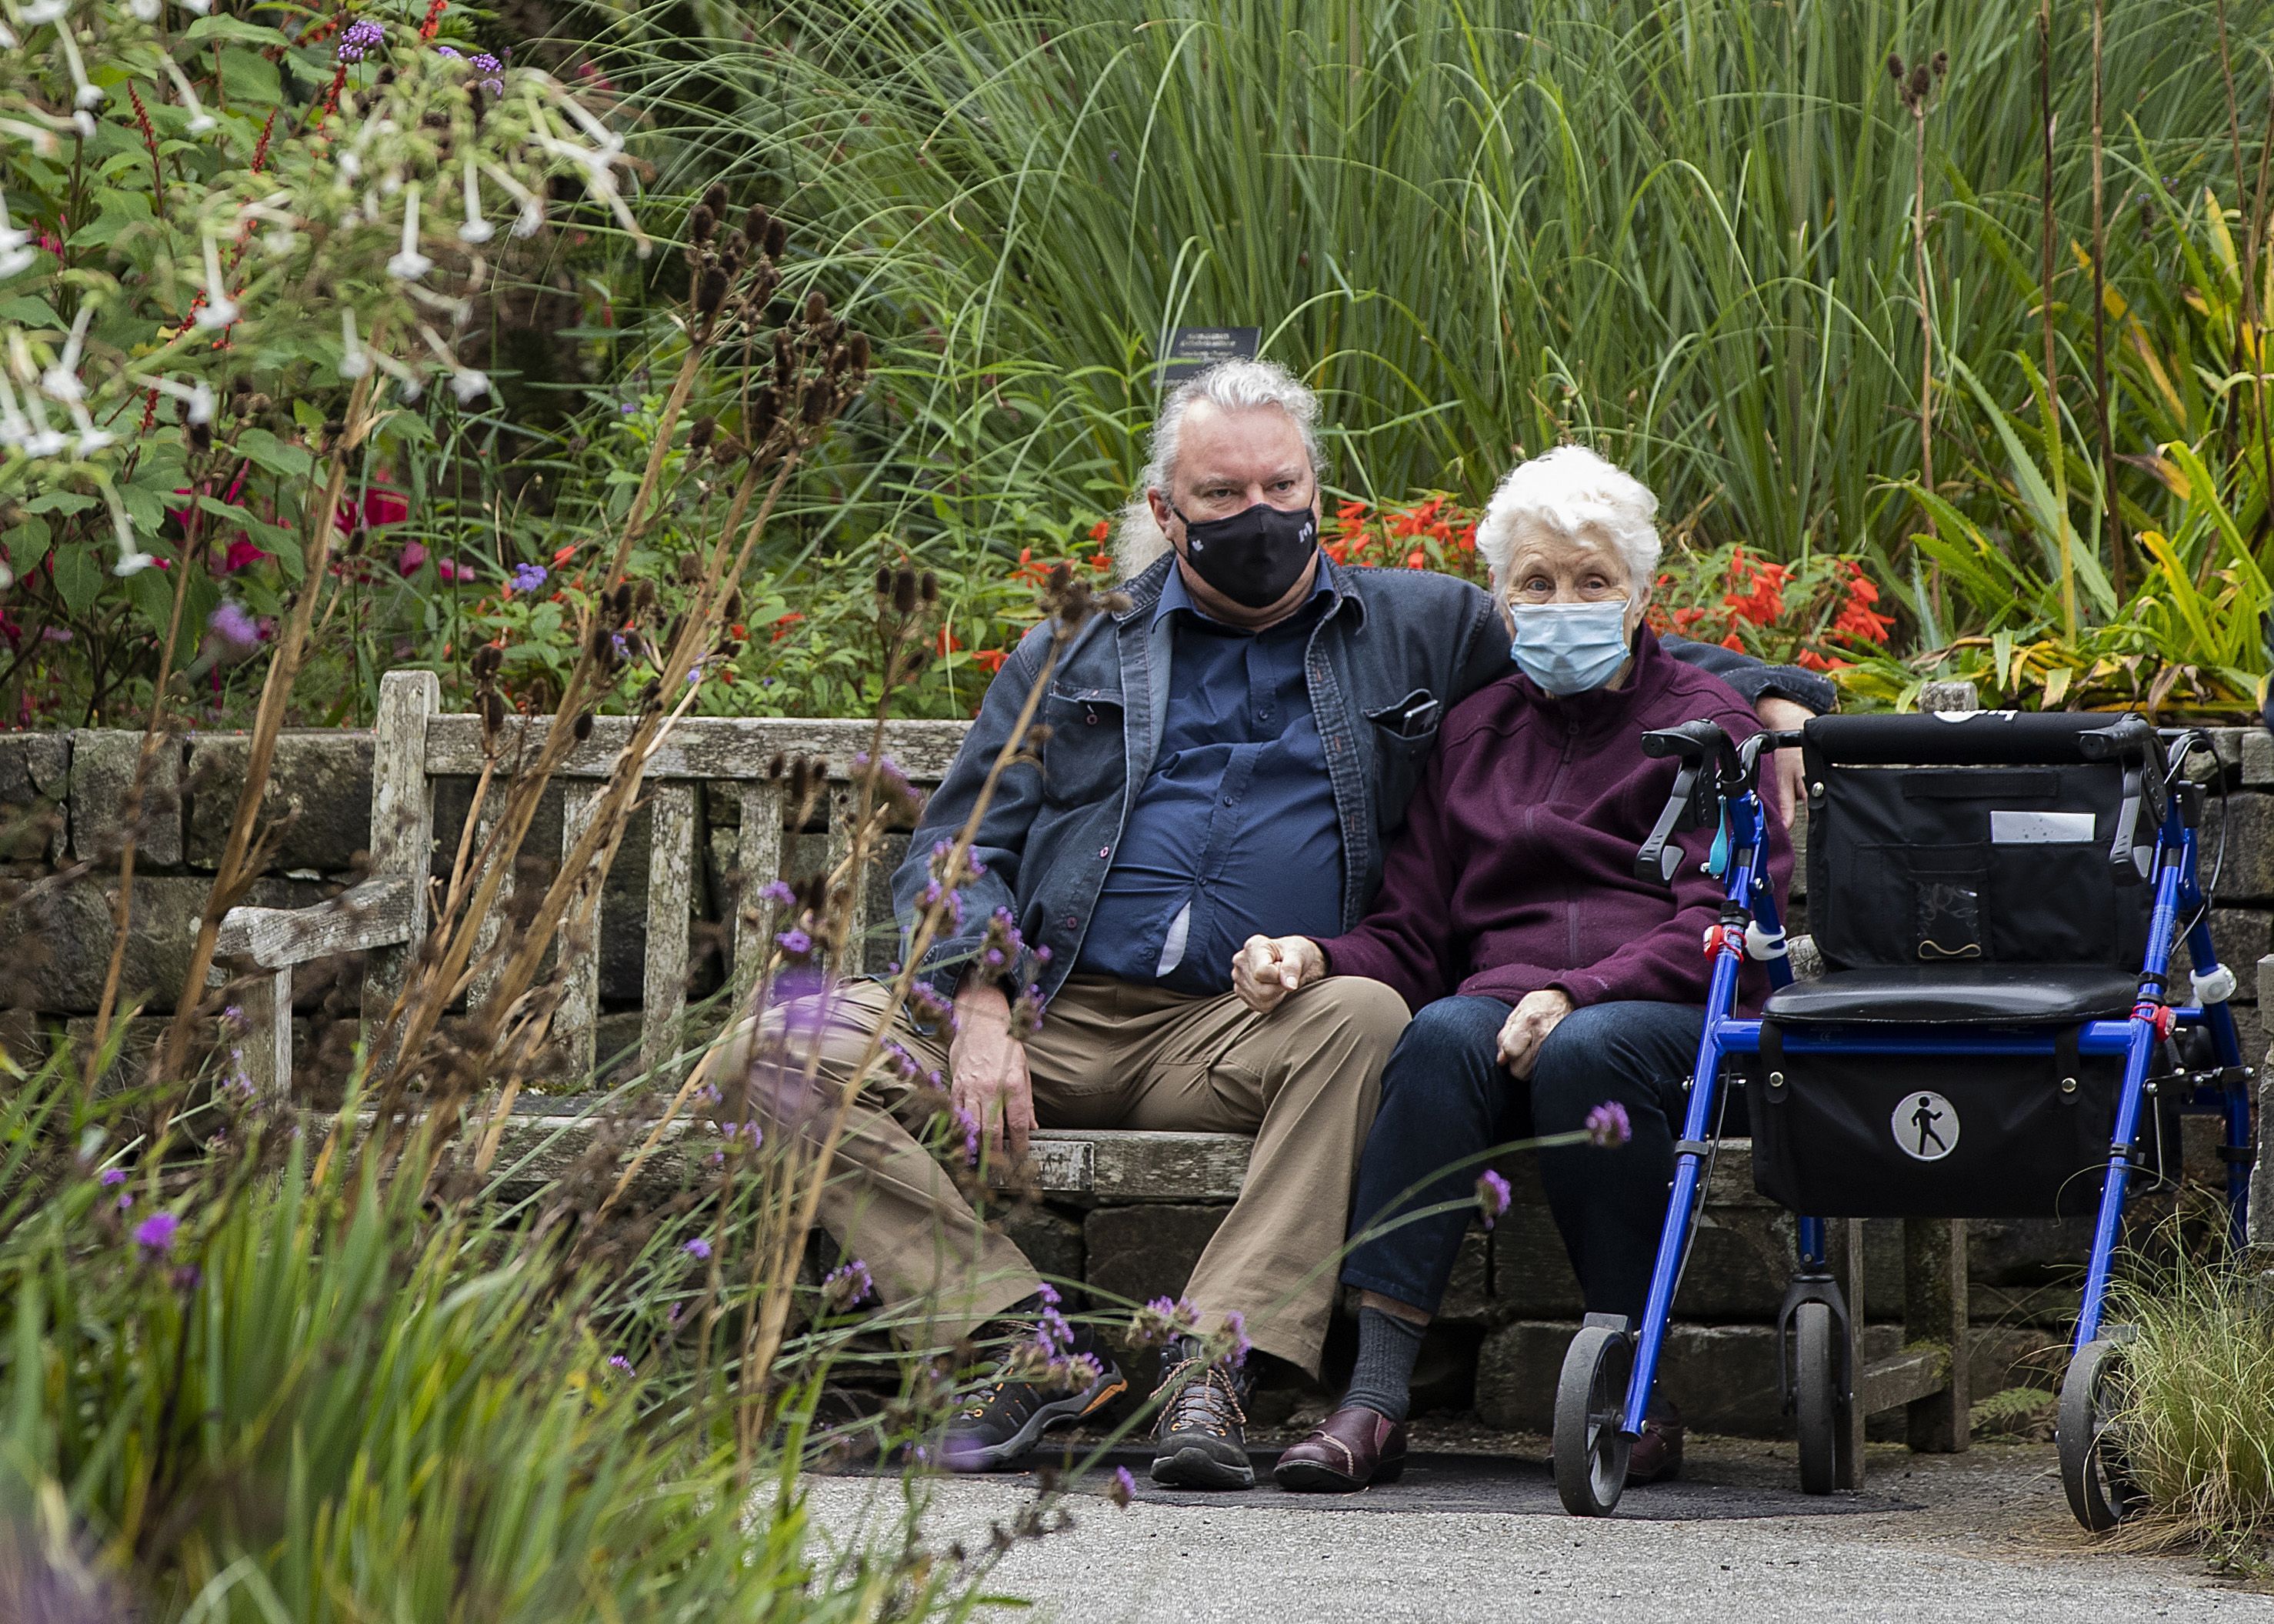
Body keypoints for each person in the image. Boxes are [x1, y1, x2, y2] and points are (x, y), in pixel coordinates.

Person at [739, 363, 1831, 1491]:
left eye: (1281, 485)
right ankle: (1021, 1342)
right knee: (772, 1055)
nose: (1257, 516)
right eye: (1221, 495)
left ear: (1319, 492)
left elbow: (1600, 631)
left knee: (1364, 1014)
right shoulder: (1074, 652)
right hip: (1045, 1011)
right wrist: (977, 999)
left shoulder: (1419, 628)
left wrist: (1778, 698)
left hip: (1239, 1027)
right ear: (1165, 514)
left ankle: (1214, 1360)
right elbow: (957, 844)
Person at [1233, 445, 1793, 1494]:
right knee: (1435, 1031)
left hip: (1672, 1014)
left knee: (1589, 1050)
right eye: (1536, 583)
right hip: (1500, 1013)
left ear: (1640, 595)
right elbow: (1414, 933)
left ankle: (1636, 1394)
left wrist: (1576, 989)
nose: (1563, 603)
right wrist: (1313, 955)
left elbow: (1722, 921)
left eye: (1591, 582)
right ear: (1501, 599)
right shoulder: (1473, 735)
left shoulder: (1710, 734)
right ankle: (1377, 1398)